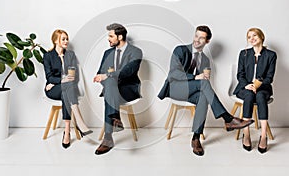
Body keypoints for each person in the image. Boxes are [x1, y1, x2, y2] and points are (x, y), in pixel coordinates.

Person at [158, 25, 254, 156]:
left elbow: (204, 82)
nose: (197, 40)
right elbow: (173, 74)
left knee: (203, 96)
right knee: (202, 85)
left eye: (201, 38)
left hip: (191, 90)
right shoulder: (180, 50)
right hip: (174, 88)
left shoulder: (205, 60)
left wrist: (204, 76)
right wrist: (196, 77)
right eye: (196, 36)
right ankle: (227, 118)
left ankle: (196, 138)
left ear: (207, 41)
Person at [93, 23, 142, 155]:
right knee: (109, 86)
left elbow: (128, 72)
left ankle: (108, 138)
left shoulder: (136, 52)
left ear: (120, 37)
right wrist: (103, 77)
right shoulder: (107, 53)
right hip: (111, 90)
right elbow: (100, 72)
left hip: (128, 89)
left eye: (111, 36)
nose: (108, 39)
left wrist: (108, 76)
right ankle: (113, 124)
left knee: (109, 84)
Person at [43, 29, 93, 149]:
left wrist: (60, 81)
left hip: (66, 87)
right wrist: (60, 81)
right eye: (63, 39)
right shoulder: (48, 56)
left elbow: (73, 77)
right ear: (56, 40)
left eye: (67, 39)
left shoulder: (70, 55)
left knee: (66, 90)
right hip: (53, 90)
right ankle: (80, 123)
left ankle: (67, 131)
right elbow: (49, 76)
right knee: (66, 88)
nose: (66, 41)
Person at [233, 28, 277, 154]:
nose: (252, 38)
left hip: (263, 88)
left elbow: (270, 77)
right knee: (249, 96)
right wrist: (247, 85)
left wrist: (257, 85)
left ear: (261, 37)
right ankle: (246, 134)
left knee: (260, 97)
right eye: (249, 37)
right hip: (245, 88)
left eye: (254, 35)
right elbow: (240, 74)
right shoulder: (244, 53)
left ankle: (263, 136)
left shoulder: (271, 55)